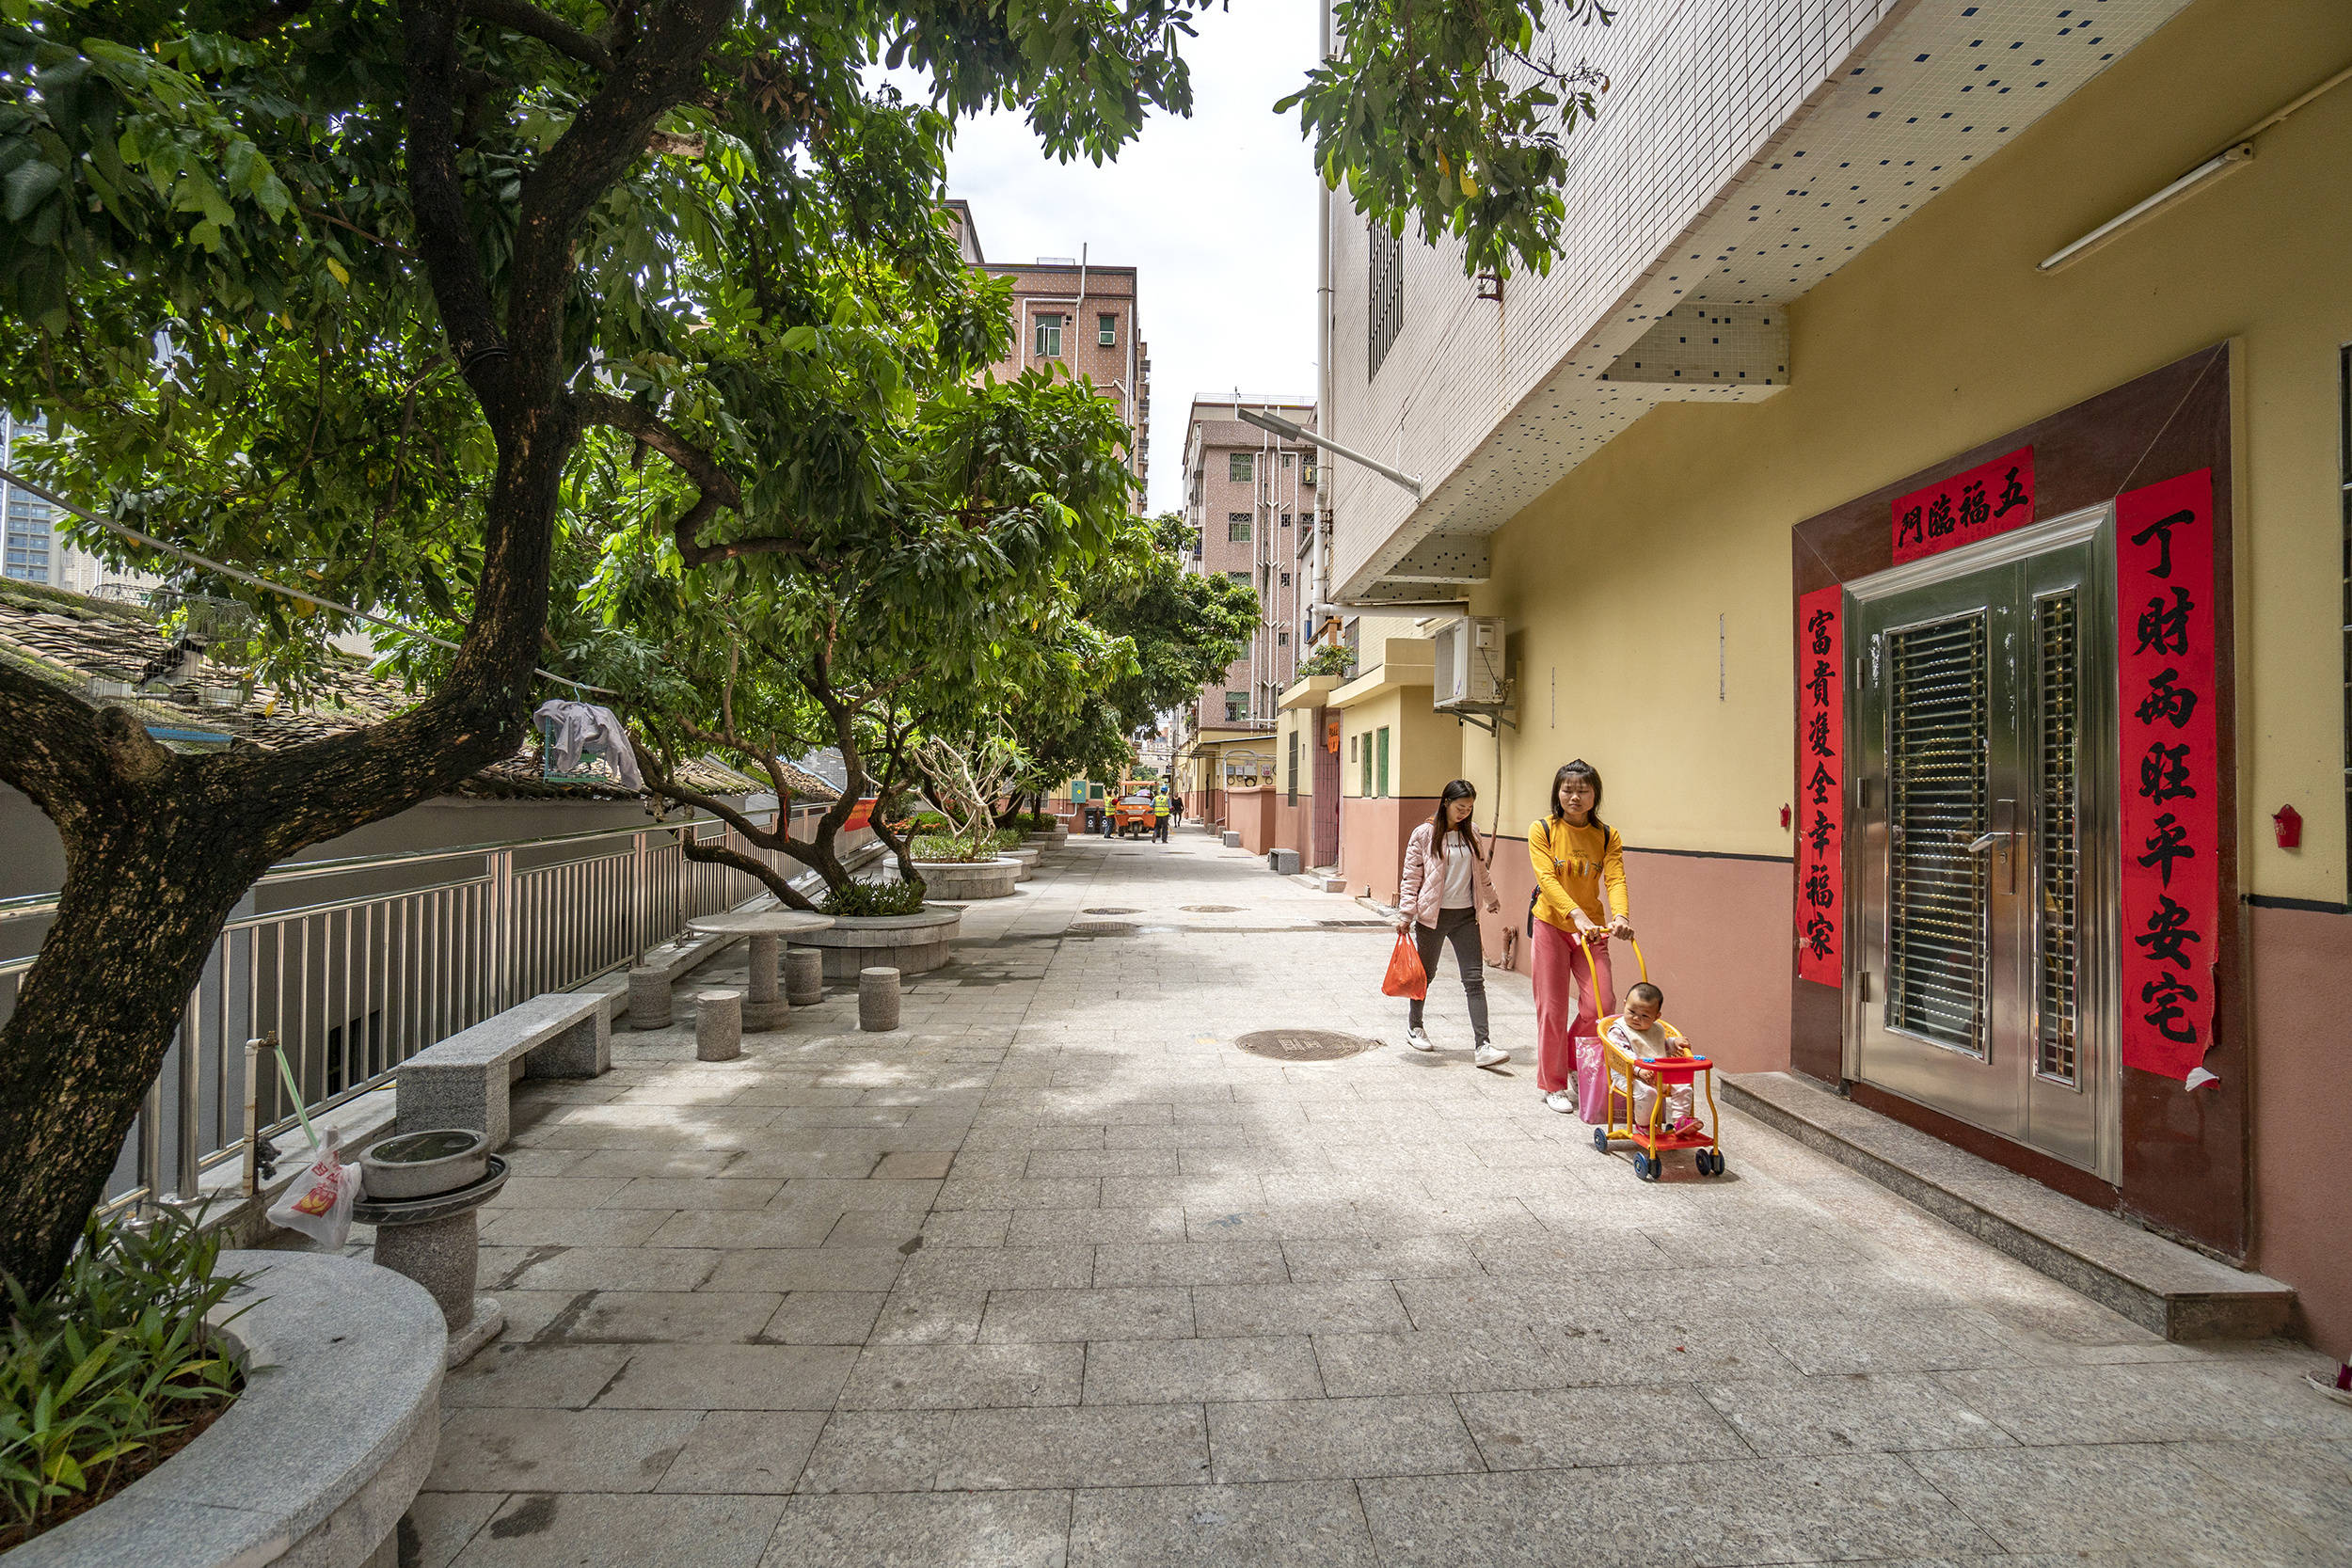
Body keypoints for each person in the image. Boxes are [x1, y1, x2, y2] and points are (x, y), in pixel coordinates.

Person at [1529, 759, 1632, 1114]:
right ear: (1558, 793)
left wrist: (1620, 915)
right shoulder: (1542, 829)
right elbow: (1547, 879)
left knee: (1601, 1005)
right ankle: (1553, 1083)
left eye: (1582, 790)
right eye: (1567, 789)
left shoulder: (1606, 835)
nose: (1574, 796)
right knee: (1553, 1009)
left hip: (1593, 932)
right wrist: (1575, 915)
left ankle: (1574, 1058)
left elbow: (1615, 878)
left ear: (1595, 795)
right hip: (1551, 926)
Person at [1396, 779, 1507, 1068]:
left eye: (1470, 808)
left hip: (1466, 917)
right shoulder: (1424, 834)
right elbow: (1412, 876)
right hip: (1432, 917)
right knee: (1425, 975)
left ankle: (1483, 1046)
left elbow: (1481, 870)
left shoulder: (1473, 833)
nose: (1465, 812)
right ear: (1446, 802)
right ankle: (1415, 1026)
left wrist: (1491, 898)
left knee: (1474, 980)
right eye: (1460, 806)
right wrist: (1406, 914)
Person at [1604, 981, 1699, 1137]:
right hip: (1628, 1074)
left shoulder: (1657, 1029)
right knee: (1648, 1093)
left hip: (1658, 1071)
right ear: (1624, 1004)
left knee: (1683, 1085)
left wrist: (1674, 1043)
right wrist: (1639, 1070)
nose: (1636, 1018)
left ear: (1656, 1017)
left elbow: (1658, 1046)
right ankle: (1643, 1125)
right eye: (1631, 1011)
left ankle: (1680, 1121)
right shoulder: (1618, 1030)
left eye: (1644, 1016)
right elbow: (1621, 1053)